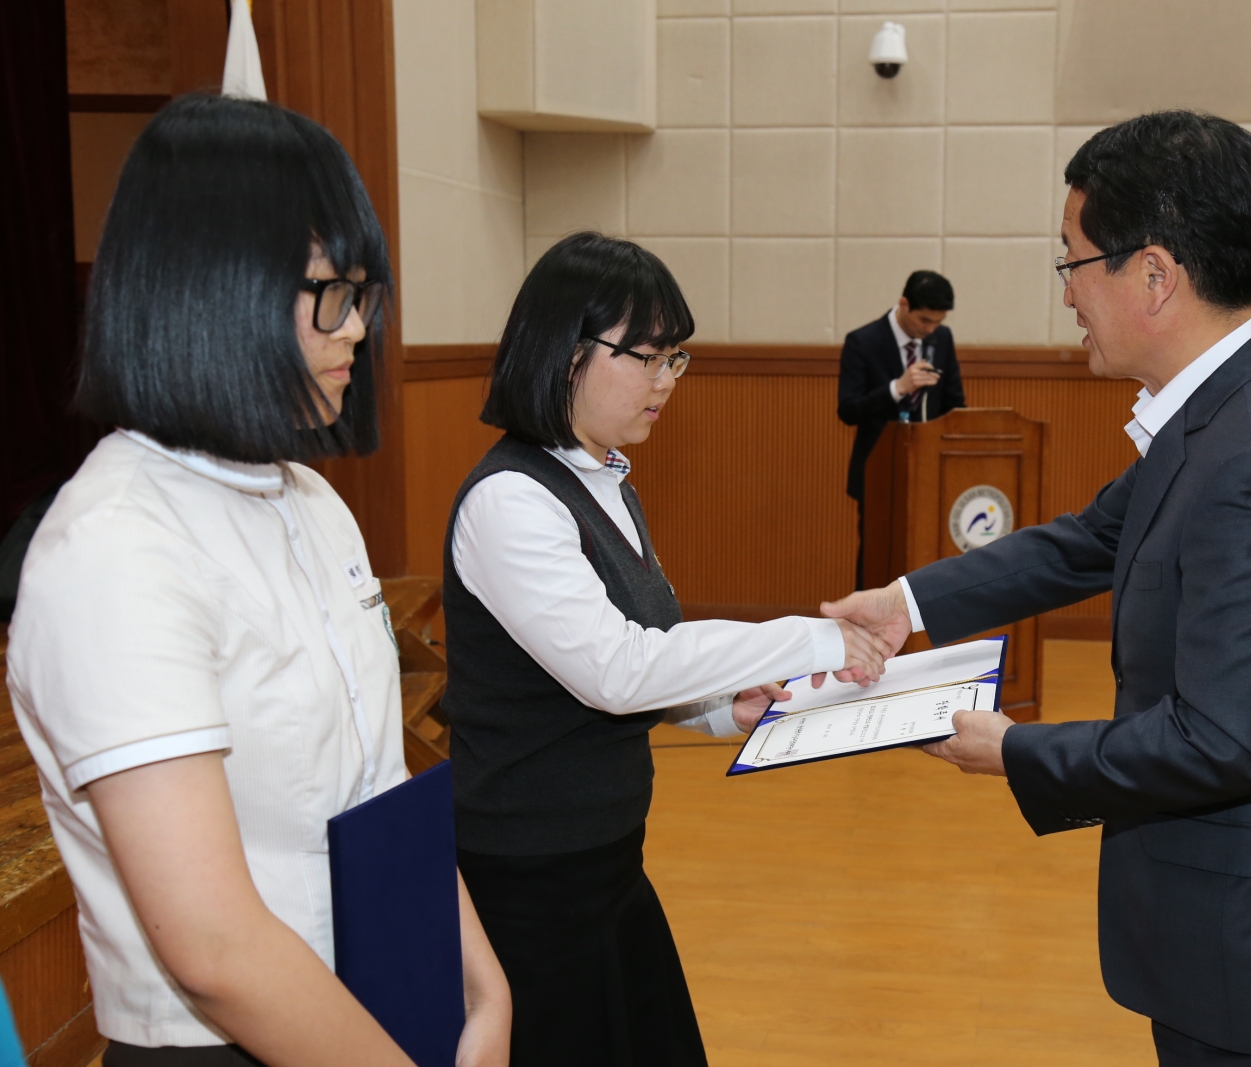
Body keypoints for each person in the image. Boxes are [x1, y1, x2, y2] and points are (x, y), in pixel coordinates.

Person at [822, 112, 1251, 1066]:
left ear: (1154, 274)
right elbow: (1091, 538)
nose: (1067, 293)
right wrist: (903, 604)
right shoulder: (1228, 405)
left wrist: (1017, 749)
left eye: (1073, 262)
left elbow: (1223, 741)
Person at [5, 96, 510, 1066]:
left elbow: (379, 781)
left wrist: (484, 985)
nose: (357, 326)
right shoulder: (113, 548)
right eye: (330, 291)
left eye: (363, 292)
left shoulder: (313, 502)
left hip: (378, 993)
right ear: (210, 284)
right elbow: (213, 950)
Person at [443, 232, 890, 1066]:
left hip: (606, 857)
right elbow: (616, 671)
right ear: (565, 351)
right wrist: (809, 635)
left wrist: (726, 709)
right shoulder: (511, 500)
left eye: (673, 359)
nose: (664, 383)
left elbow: (647, 657)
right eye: (646, 357)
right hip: (530, 878)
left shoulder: (605, 480)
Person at [838, 270, 966, 588]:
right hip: (879, 472)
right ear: (904, 304)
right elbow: (848, 410)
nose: (930, 329)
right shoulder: (863, 341)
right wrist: (897, 388)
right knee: (878, 559)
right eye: (924, 320)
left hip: (932, 470)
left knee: (929, 558)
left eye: (937, 322)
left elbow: (955, 404)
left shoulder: (942, 339)